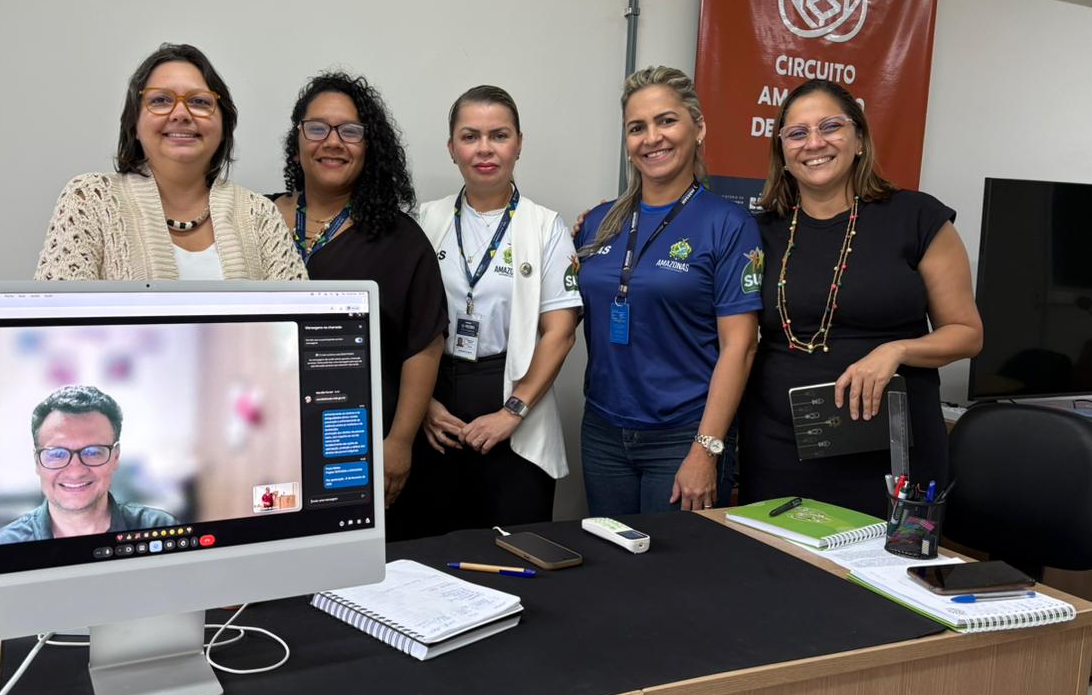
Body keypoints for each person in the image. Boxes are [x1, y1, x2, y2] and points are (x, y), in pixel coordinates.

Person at [738, 79, 982, 516]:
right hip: (780, 449)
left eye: (830, 126)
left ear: (860, 139)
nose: (814, 143)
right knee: (772, 559)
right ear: (782, 153)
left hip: (893, 454)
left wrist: (897, 350)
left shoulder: (918, 217)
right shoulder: (760, 232)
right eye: (797, 133)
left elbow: (967, 333)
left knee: (882, 562)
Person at [574, 66, 762, 516]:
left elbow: (740, 347)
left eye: (667, 121)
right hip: (603, 431)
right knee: (610, 553)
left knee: (674, 560)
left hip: (683, 435)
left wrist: (706, 449)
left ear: (698, 128)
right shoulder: (599, 222)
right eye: (637, 127)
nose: (651, 138)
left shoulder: (729, 224)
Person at [402, 85, 581, 538]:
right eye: (470, 136)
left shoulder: (545, 226)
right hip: (436, 398)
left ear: (519, 144)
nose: (485, 149)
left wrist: (511, 412)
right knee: (431, 546)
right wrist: (423, 405)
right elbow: (401, 324)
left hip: (513, 394)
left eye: (499, 135)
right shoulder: (423, 221)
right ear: (451, 148)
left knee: (516, 546)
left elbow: (560, 332)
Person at [271, 72, 446, 510]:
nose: (333, 142)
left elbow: (424, 345)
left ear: (369, 147)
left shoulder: (400, 239)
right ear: (297, 139)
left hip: (354, 441)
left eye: (350, 131)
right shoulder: (255, 218)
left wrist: (399, 441)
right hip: (265, 433)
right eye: (318, 128)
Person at [35, 43, 305, 282]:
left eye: (199, 102)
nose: (181, 114)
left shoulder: (260, 214)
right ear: (134, 123)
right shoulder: (90, 200)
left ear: (224, 125)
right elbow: (57, 319)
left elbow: (300, 318)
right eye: (161, 100)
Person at [0, 385, 174, 545]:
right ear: (37, 461)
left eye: (93, 452)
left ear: (116, 457)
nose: (76, 471)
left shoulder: (160, 531)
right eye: (57, 454)